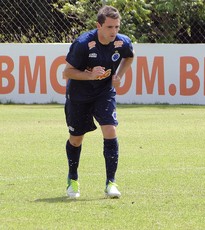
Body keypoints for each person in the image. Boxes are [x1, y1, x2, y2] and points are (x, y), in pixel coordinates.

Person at [63, 5, 134, 199]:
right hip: (79, 94)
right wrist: (89, 75)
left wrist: (118, 75)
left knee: (110, 130)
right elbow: (66, 72)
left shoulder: (122, 42)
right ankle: (73, 179)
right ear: (99, 25)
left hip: (104, 92)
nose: (114, 31)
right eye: (110, 27)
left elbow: (129, 57)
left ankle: (111, 182)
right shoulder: (83, 43)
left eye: (117, 27)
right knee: (76, 138)